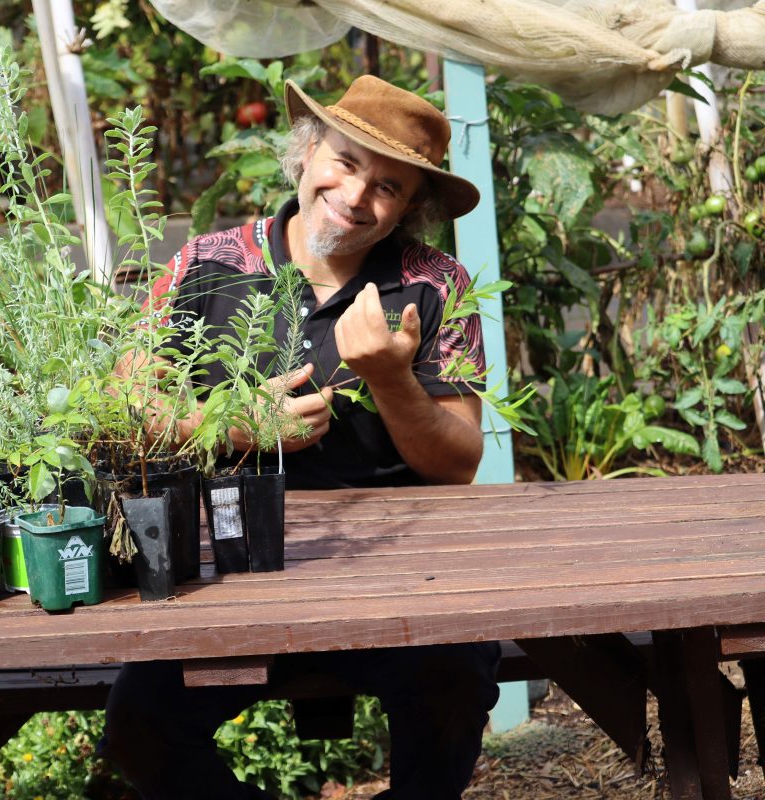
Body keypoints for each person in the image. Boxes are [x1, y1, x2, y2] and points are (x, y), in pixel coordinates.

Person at [98, 75, 501, 800]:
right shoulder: (206, 264)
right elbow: (124, 404)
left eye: (388, 187)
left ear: (411, 208)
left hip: (401, 575)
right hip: (231, 571)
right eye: (345, 163)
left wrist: (390, 378)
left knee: (458, 686)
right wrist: (228, 424)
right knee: (137, 725)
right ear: (307, 151)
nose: (355, 197)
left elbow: (459, 464)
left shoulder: (436, 284)